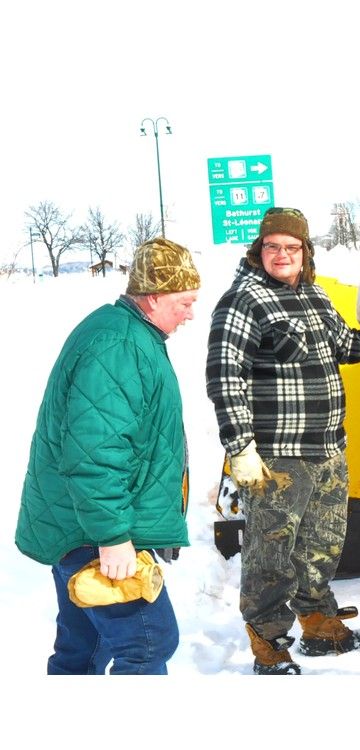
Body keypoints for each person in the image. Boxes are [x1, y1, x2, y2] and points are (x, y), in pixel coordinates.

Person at [205, 207, 360, 675]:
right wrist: (240, 446)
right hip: (279, 457)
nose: (282, 255)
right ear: (258, 250)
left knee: (321, 545)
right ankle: (268, 643)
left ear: (305, 252)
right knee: (272, 553)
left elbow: (346, 347)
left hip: (327, 449)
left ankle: (319, 626)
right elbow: (226, 379)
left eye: (292, 247)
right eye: (273, 246)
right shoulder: (244, 300)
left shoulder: (315, 296)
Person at [16, 238, 201, 675]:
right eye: (185, 302)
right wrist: (113, 536)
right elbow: (95, 452)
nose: (191, 313)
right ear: (154, 297)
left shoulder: (127, 332)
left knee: (84, 646)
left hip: (82, 525)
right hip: (94, 533)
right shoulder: (118, 346)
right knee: (149, 643)